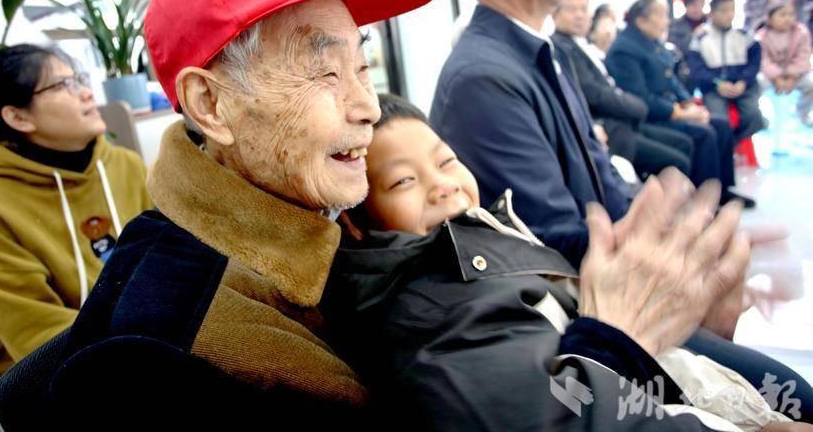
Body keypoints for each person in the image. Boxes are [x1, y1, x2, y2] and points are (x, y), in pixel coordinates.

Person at [6, 0, 442, 428]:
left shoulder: (324, 214)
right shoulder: (172, 364)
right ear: (211, 105)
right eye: (325, 73)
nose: (368, 106)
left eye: (361, 67)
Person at [325, 92, 813, 430]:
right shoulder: (424, 309)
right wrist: (611, 338)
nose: (443, 185)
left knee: (794, 391)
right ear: (357, 223)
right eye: (403, 181)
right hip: (616, 381)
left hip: (638, 367)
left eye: (446, 161)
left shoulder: (485, 229)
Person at [430, 0, 631, 269]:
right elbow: (549, 236)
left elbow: (598, 170)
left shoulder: (545, 52)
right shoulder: (482, 79)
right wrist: (655, 243)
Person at [0, 44, 153, 406]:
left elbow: (173, 268)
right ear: (18, 117)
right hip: (49, 392)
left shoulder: (125, 166)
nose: (86, 92)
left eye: (80, 79)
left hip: (153, 357)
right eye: (64, 85)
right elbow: (34, 337)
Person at [605, 0, 755, 208]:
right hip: (650, 117)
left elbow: (671, 80)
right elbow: (639, 97)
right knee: (704, 134)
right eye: (660, 16)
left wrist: (688, 103)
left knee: (721, 124)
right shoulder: (625, 49)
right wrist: (679, 112)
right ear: (641, 20)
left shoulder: (651, 41)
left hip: (669, 109)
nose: (666, 21)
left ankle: (722, 190)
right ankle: (704, 199)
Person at [552, 0, 693, 178]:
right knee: (678, 159)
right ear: (555, 13)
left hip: (625, 121)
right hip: (611, 128)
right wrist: (638, 106)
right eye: (571, 9)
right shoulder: (563, 48)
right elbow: (595, 94)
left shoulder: (583, 45)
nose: (580, 15)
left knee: (684, 143)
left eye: (584, 9)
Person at [688, 0, 766, 141]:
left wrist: (743, 81)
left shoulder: (744, 35)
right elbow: (696, 68)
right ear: (711, 14)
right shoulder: (701, 37)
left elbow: (754, 63)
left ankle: (734, 143)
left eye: (732, 10)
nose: (729, 15)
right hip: (714, 87)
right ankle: (727, 145)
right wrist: (717, 83)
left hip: (743, 86)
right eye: (723, 11)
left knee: (754, 116)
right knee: (718, 120)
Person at [756, 0, 813, 126]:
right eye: (782, 15)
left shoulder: (802, 33)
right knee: (757, 82)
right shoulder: (761, 36)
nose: (788, 19)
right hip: (770, 76)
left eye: (791, 14)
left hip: (797, 75)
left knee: (811, 82)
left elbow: (803, 56)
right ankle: (760, 118)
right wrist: (777, 77)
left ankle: (803, 113)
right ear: (769, 18)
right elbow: (763, 60)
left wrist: (792, 76)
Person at [668, 0, 707, 90]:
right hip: (687, 69)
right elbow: (675, 51)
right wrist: (694, 36)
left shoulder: (711, 23)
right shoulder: (675, 25)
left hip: (709, 67)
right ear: (686, 5)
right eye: (693, 5)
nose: (697, 8)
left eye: (700, 4)